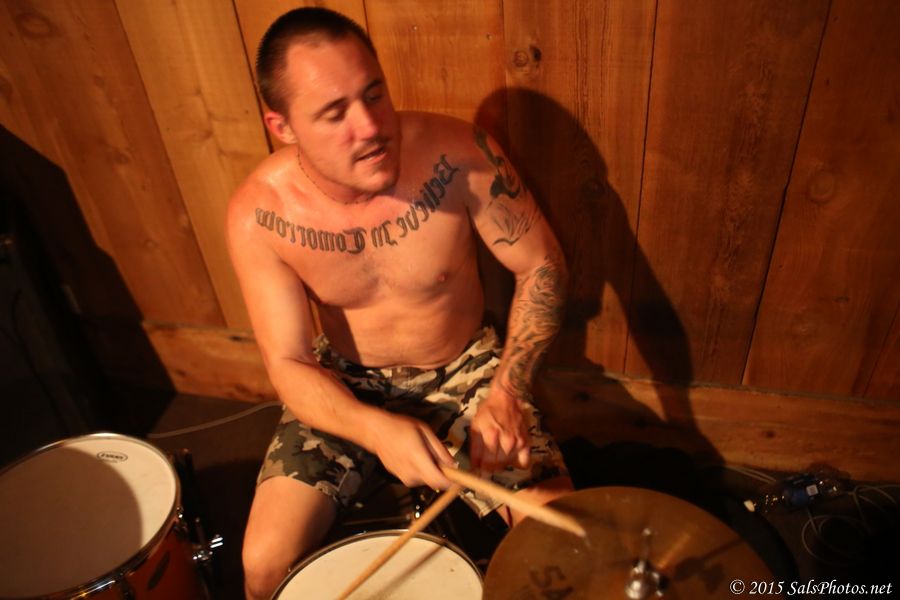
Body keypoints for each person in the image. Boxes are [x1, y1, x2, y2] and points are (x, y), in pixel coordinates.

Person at [226, 7, 573, 599]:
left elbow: (540, 264)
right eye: (334, 113)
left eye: (374, 94)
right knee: (263, 566)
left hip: (469, 370)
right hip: (346, 382)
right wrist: (373, 428)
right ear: (282, 126)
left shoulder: (458, 154)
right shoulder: (260, 215)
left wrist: (509, 393)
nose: (370, 126)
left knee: (558, 548)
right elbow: (287, 362)